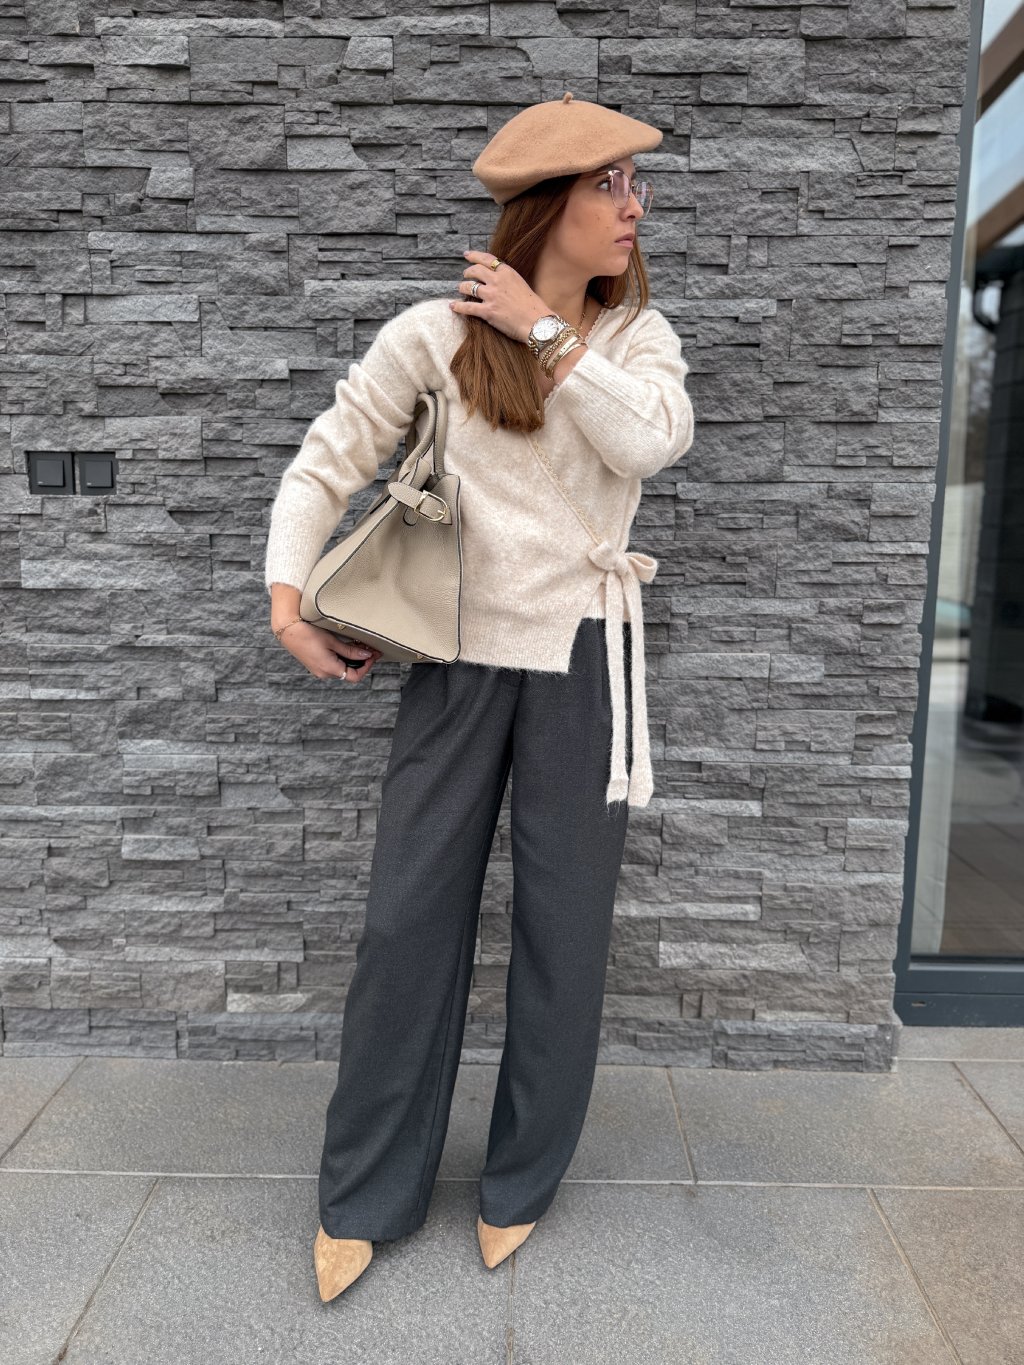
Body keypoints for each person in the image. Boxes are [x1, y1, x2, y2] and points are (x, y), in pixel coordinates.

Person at [263, 92, 695, 1302]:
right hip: (453, 659)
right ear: (545, 205)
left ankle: (520, 1182)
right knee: (406, 925)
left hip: (584, 664)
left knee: (565, 934)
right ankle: (364, 1193)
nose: (633, 206)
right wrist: (288, 602)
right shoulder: (433, 336)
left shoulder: (637, 339)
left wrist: (544, 332)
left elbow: (650, 444)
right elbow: (327, 459)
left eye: (633, 183)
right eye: (608, 184)